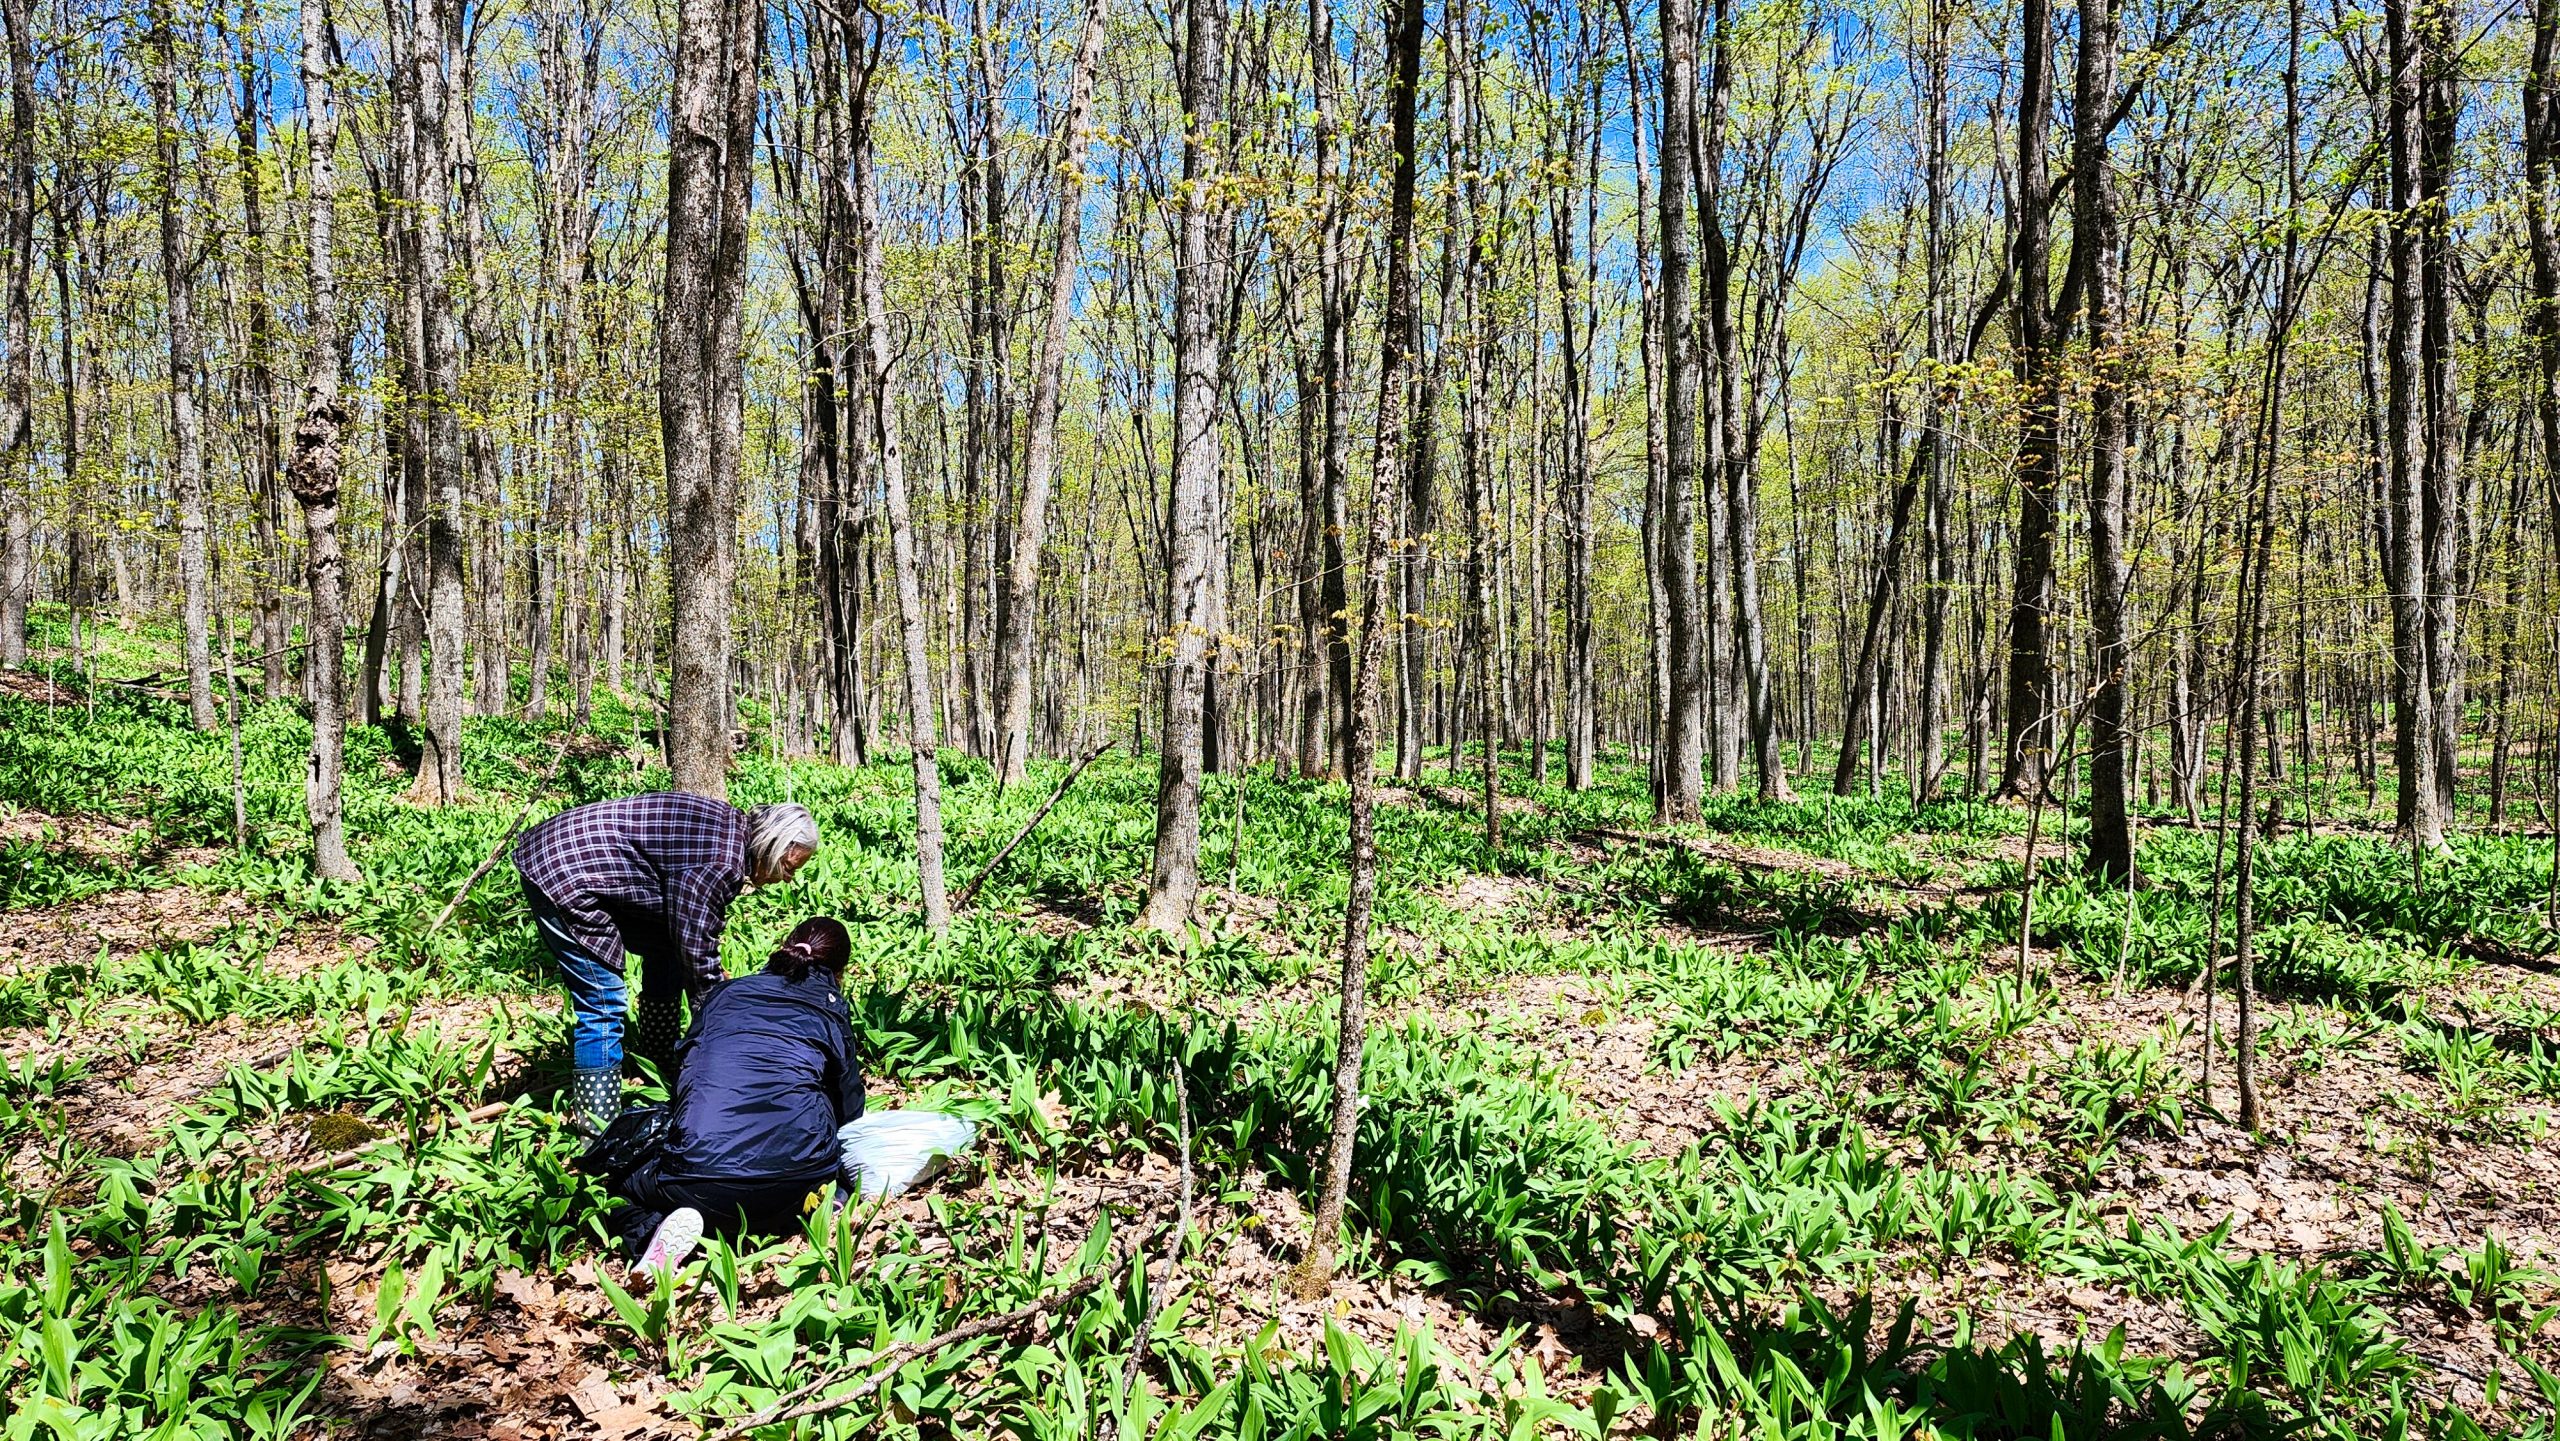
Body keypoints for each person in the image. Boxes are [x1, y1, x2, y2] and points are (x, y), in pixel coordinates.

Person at [513, 792, 820, 1132]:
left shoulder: (731, 833)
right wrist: (724, 1024)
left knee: (668, 951)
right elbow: (698, 956)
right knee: (604, 1003)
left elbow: (688, 938)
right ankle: (598, 1131)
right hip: (563, 871)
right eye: (789, 868)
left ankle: (656, 1064)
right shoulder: (720, 863)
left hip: (576, 859)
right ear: (772, 846)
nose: (788, 879)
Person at [612, 916, 866, 1277]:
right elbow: (850, 1107)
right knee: (821, 1115)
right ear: (840, 972)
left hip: (697, 1182)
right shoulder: (830, 1008)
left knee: (618, 1187)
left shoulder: (725, 994)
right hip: (798, 1184)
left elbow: (688, 1077)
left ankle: (653, 1229)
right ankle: (830, 1202)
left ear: (785, 944)